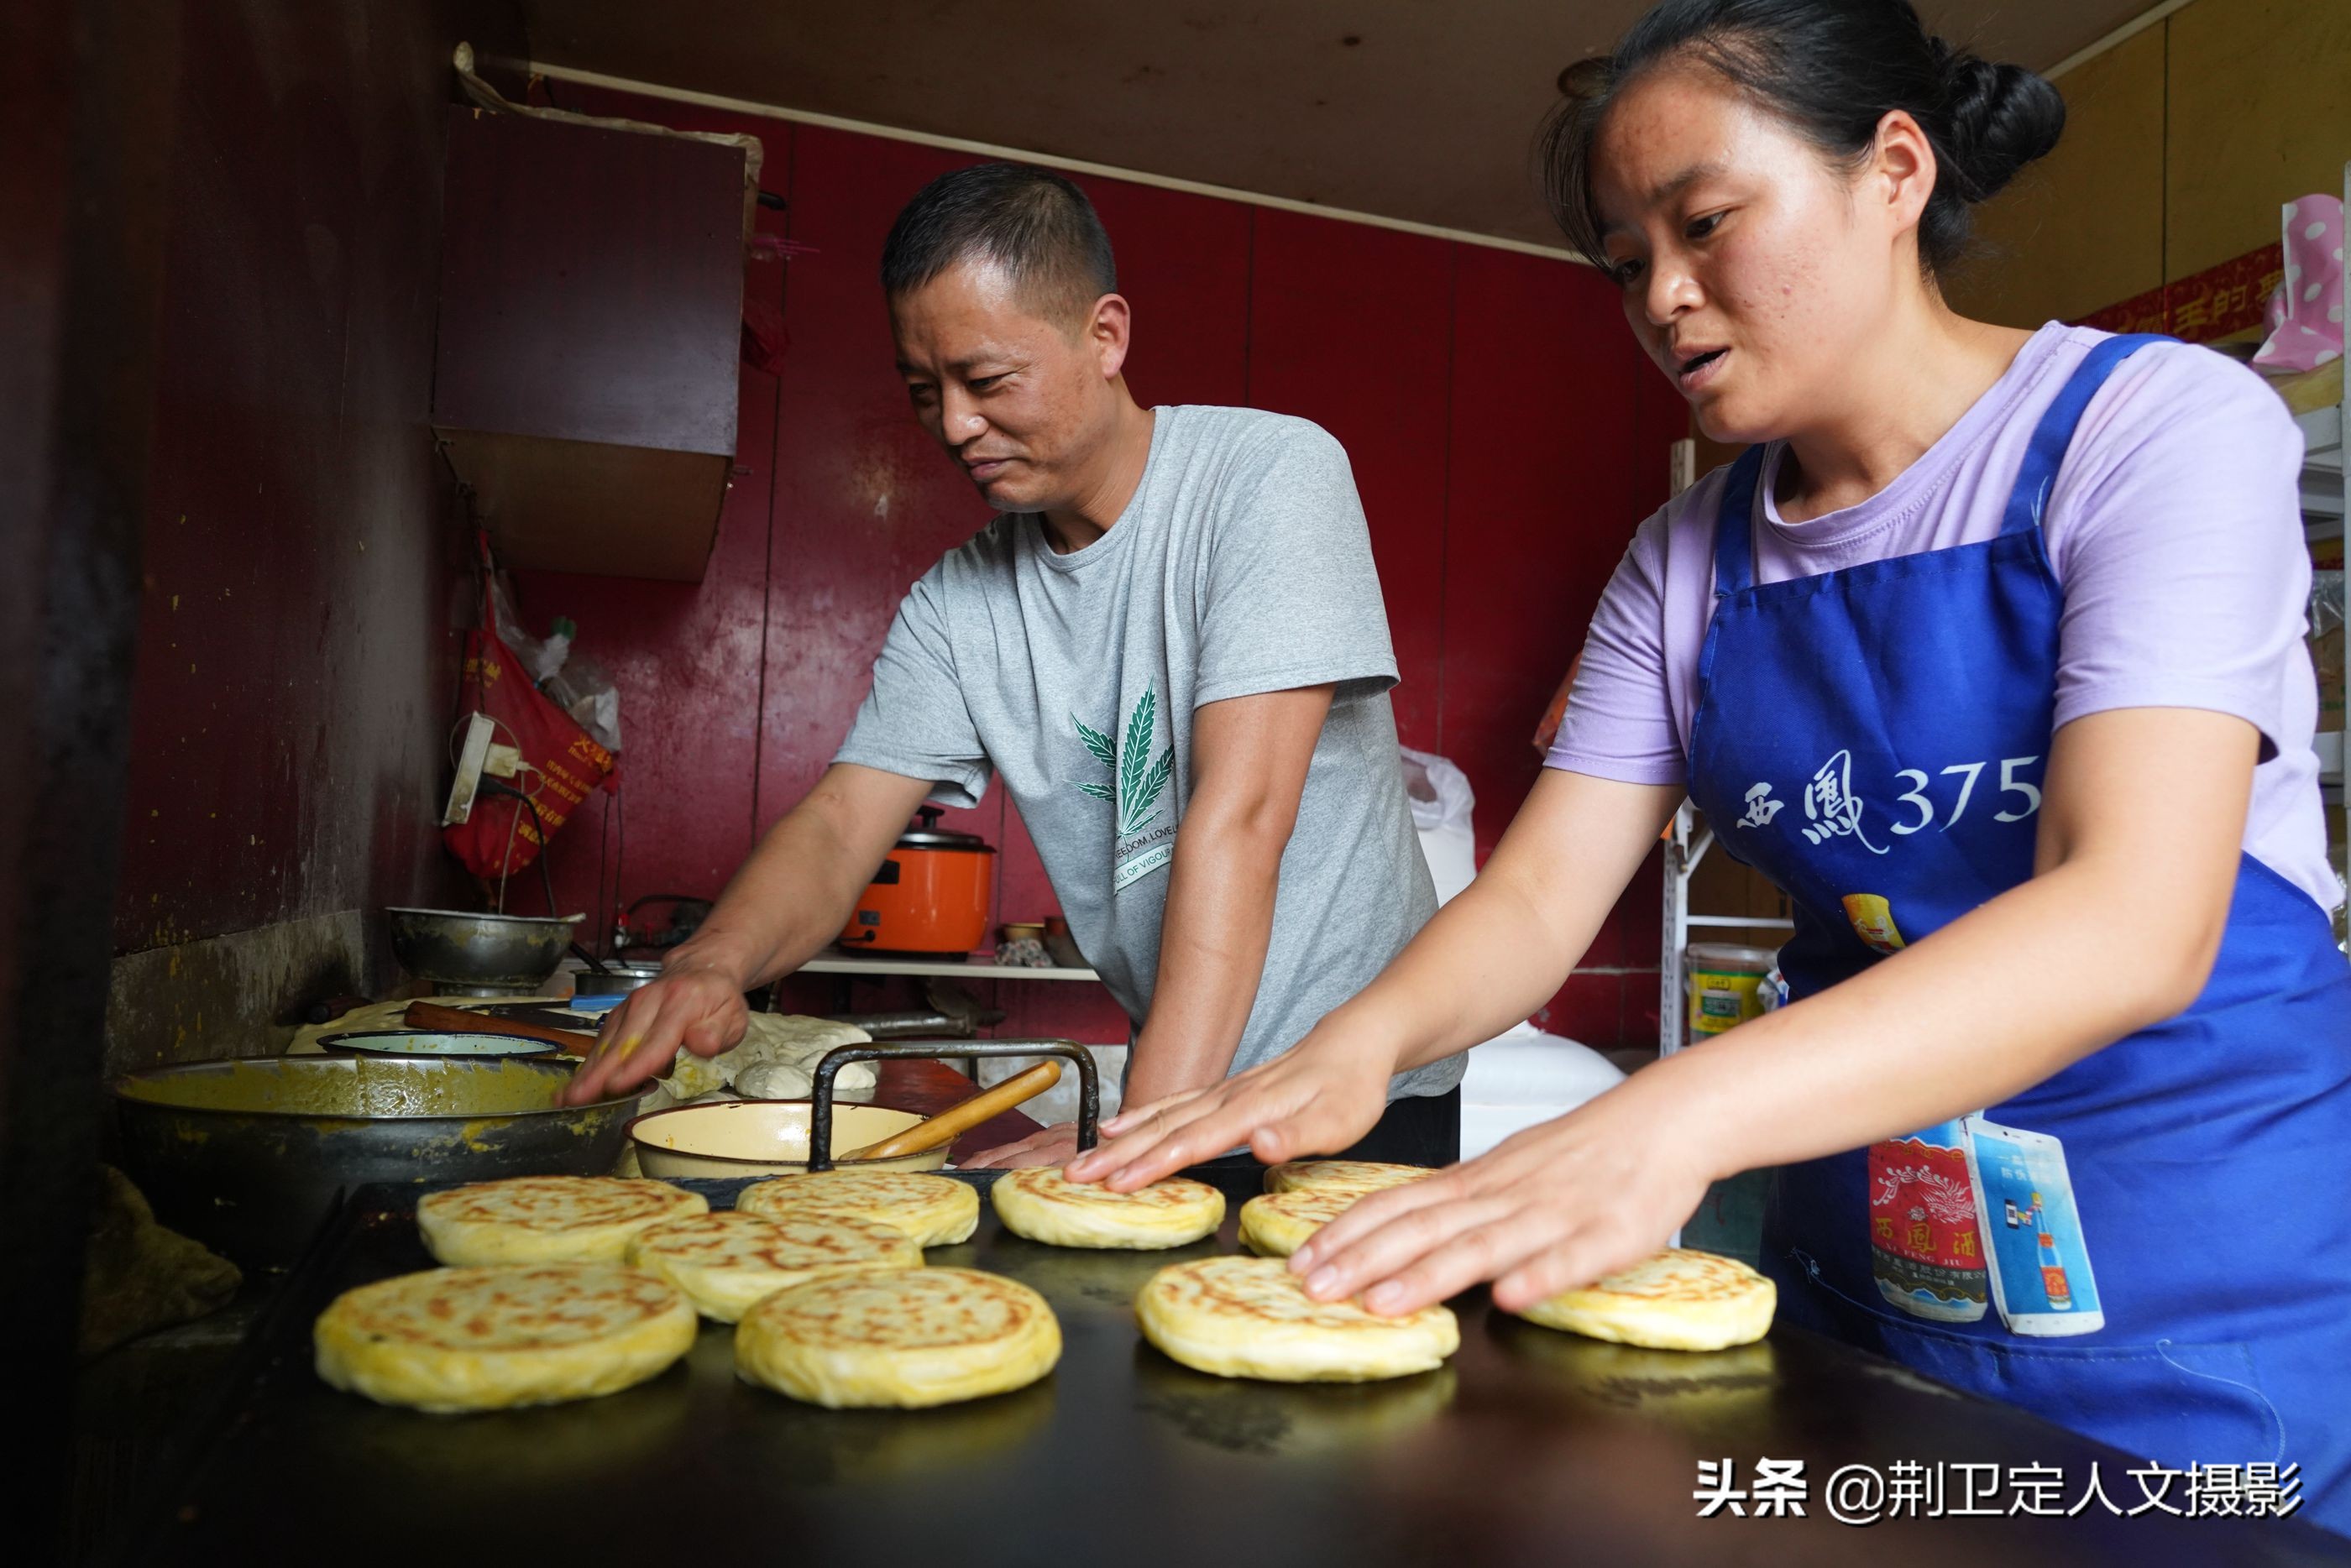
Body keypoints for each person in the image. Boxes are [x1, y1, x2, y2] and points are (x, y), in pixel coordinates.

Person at [1070, 0, 2351, 1529]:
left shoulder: (2146, 428)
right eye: (1627, 263)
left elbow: (2133, 915)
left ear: (1893, 171)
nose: (1664, 299)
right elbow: (1541, 894)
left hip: (2189, 1296)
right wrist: (1346, 1050)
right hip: (1858, 1286)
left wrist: (1657, 1117)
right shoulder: (1687, 557)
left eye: (1707, 223)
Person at [561, 162, 1462, 1168]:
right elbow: (842, 818)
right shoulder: (958, 603)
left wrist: (1123, 1142)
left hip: (1348, 1095)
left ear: (1105, 335)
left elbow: (1241, 818)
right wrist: (710, 962)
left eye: (985, 382)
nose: (952, 425)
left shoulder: (1269, 478)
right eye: (923, 391)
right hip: (1173, 1082)